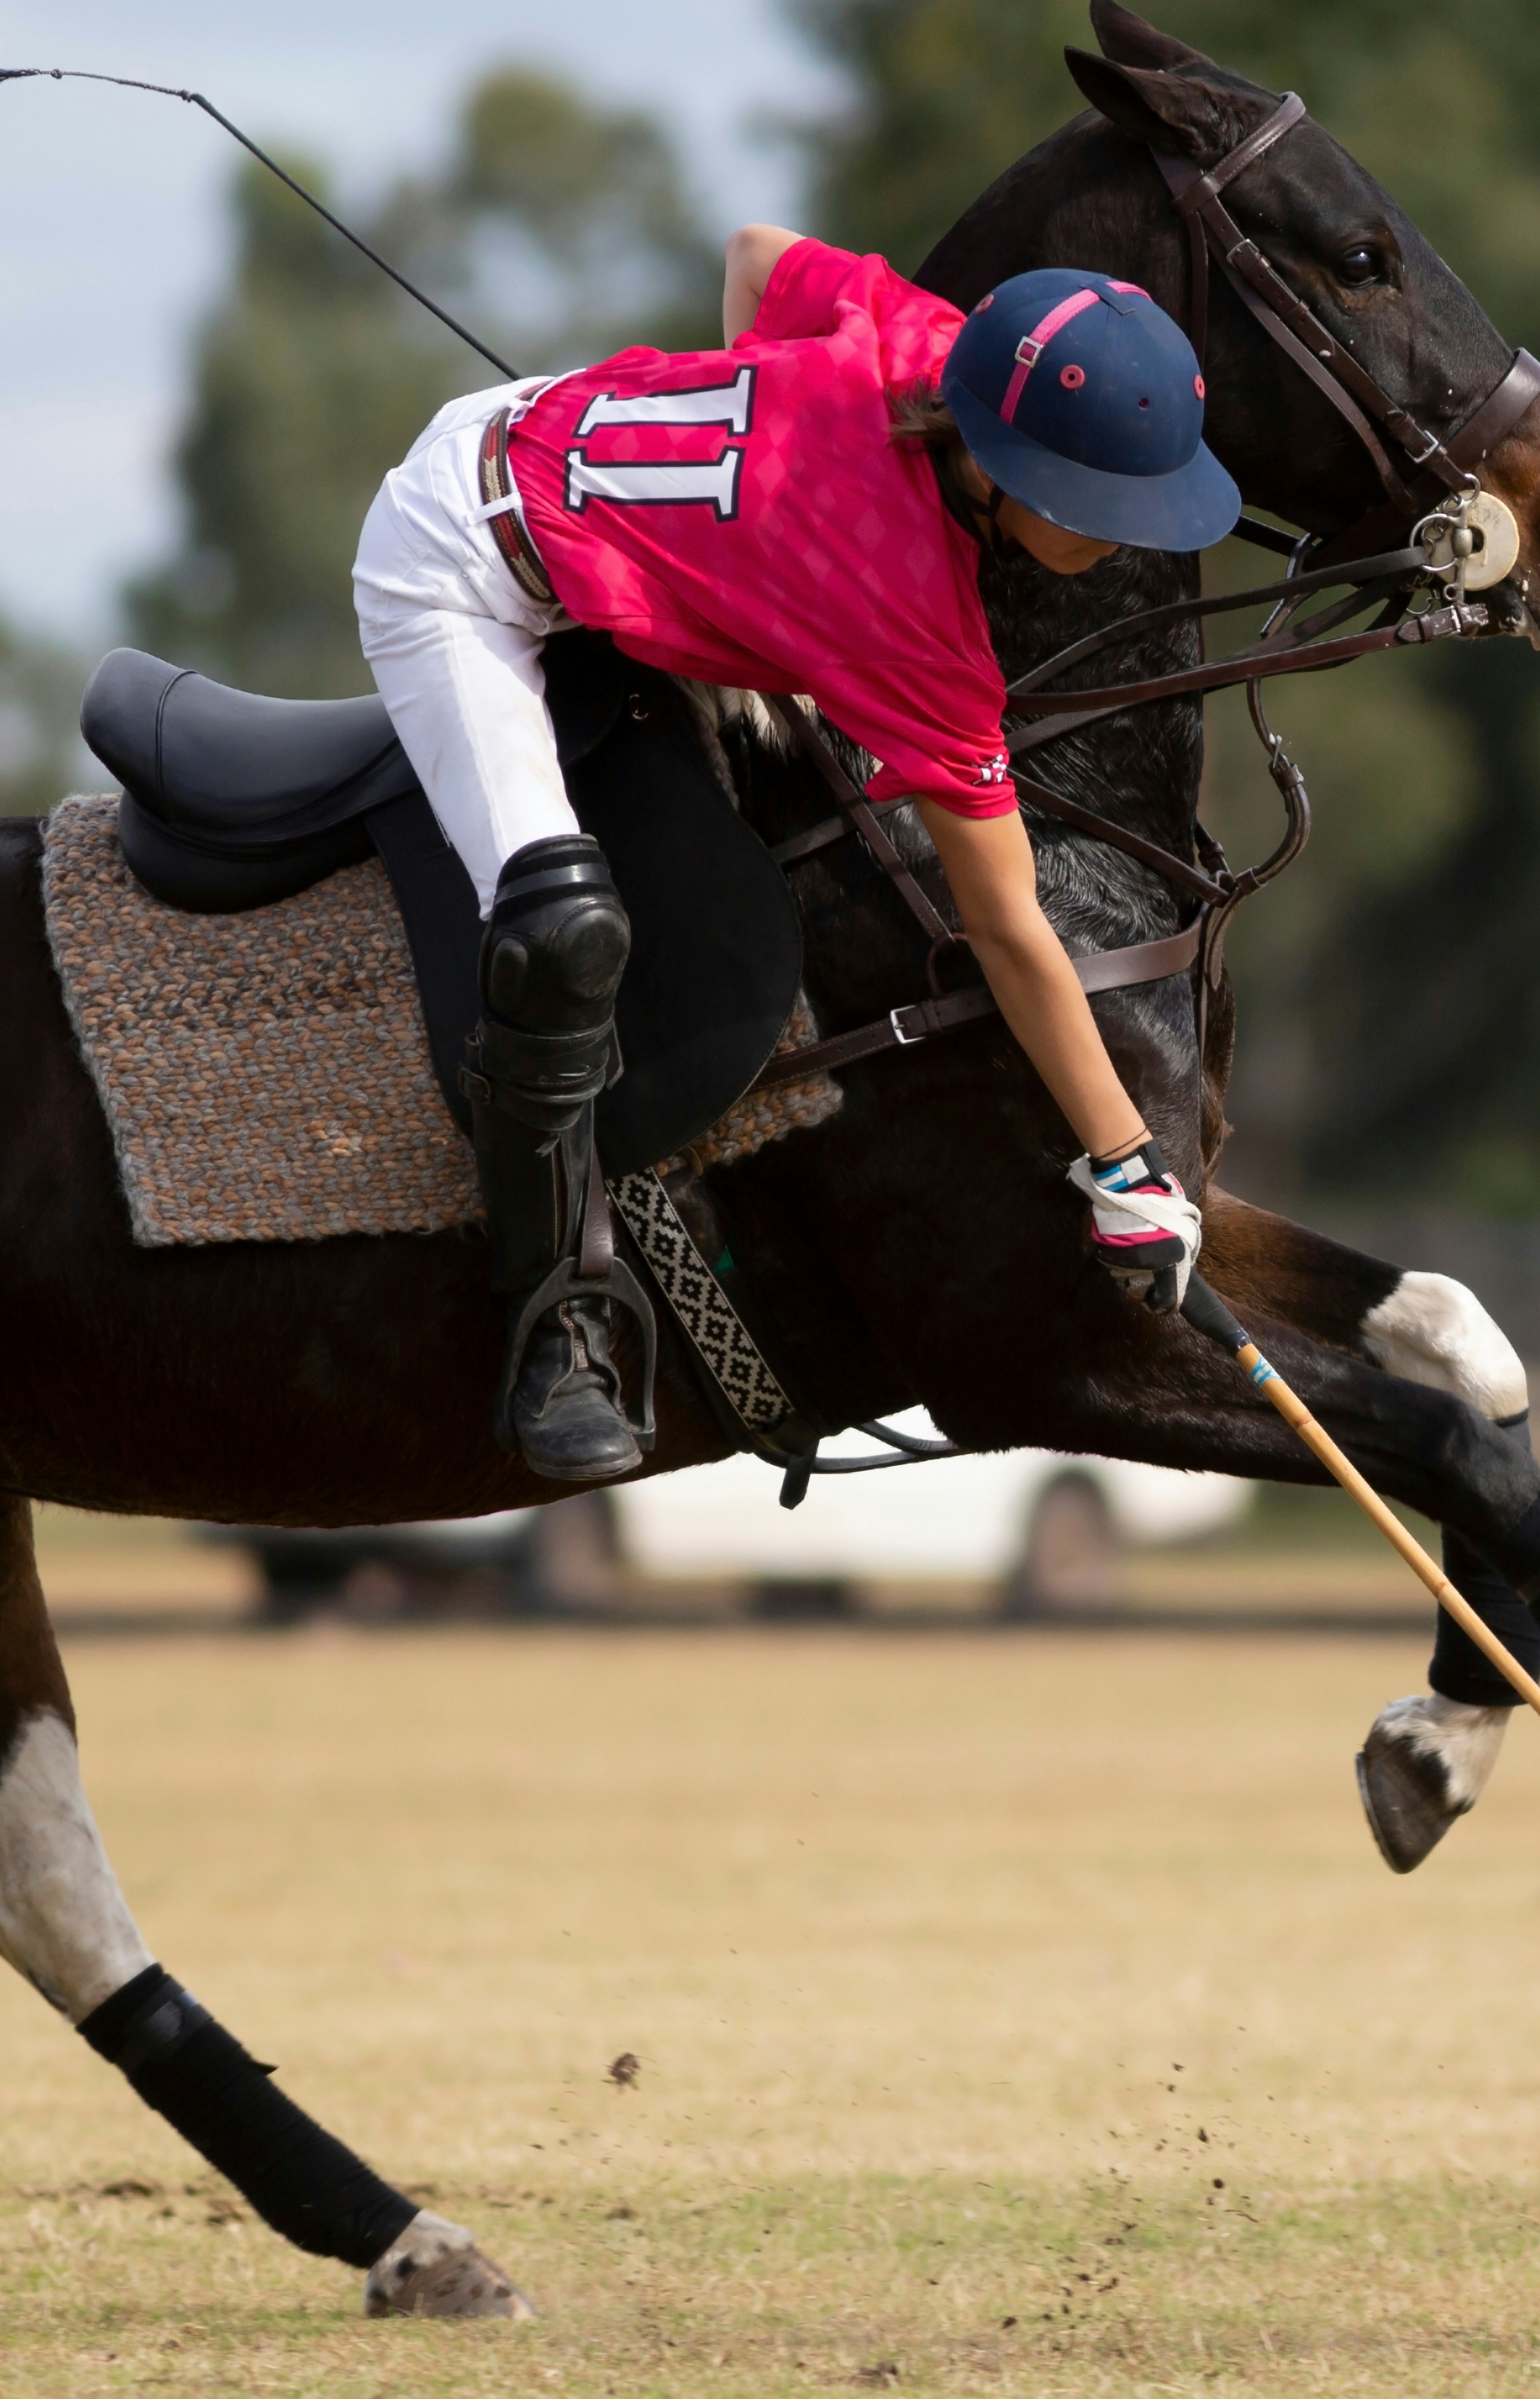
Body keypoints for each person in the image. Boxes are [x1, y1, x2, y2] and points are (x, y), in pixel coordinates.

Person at [352, 230, 1237, 1483]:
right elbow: (1006, 927)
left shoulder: (932, 345)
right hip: (453, 569)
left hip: (538, 421)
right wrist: (1126, 1165)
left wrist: (756, 521)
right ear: (1008, 475)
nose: (1132, 540)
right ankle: (556, 1325)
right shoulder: (911, 623)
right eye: (1106, 513)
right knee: (557, 932)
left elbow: (757, 257)